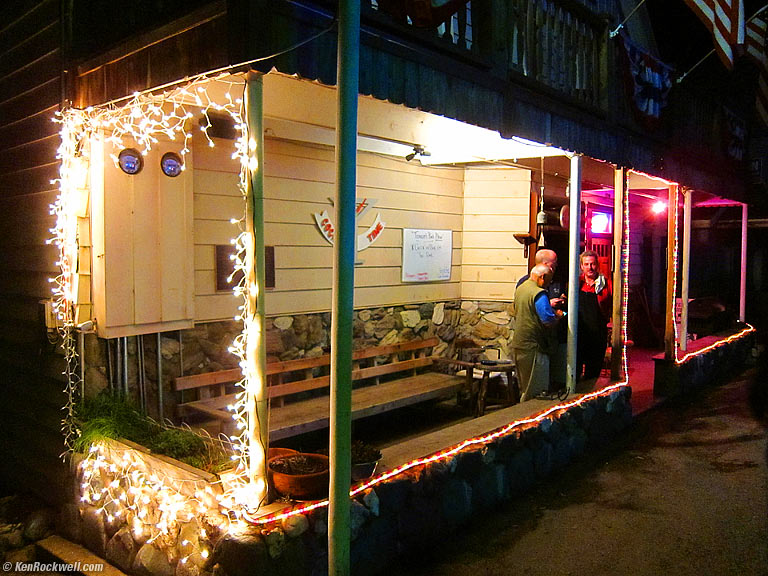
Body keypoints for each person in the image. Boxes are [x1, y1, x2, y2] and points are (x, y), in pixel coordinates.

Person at [511, 264, 565, 401]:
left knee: (524, 386)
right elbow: (547, 319)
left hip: (519, 343)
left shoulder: (521, 288)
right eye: (548, 280)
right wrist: (558, 315)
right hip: (534, 345)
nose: (548, 284)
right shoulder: (538, 293)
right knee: (535, 390)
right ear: (542, 277)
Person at [577, 250, 612, 385]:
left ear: (597, 265)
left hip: (597, 334)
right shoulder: (577, 284)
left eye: (592, 264)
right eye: (586, 264)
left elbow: (614, 306)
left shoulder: (606, 284)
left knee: (593, 372)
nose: (590, 267)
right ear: (581, 266)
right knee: (576, 368)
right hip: (580, 334)